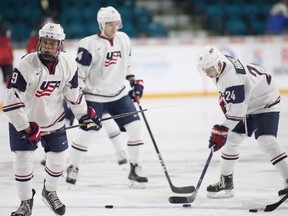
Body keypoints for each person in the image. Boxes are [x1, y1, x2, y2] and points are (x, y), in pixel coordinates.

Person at [2, 22, 101, 216]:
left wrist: (84, 115)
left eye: (52, 43)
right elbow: (10, 102)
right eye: (45, 42)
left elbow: (73, 94)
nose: (48, 46)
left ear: (60, 45)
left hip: (54, 120)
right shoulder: (25, 65)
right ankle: (25, 201)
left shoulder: (68, 63)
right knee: (22, 160)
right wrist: (26, 128)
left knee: (58, 159)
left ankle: (50, 192)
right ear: (39, 42)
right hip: (24, 122)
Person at [25, 16, 128, 167]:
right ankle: (52, 154)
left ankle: (121, 154)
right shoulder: (39, 41)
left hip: (89, 93)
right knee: (61, 121)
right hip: (78, 92)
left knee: (102, 120)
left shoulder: (78, 51)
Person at [66, 6, 148, 188]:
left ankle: (135, 169)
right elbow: (80, 74)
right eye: (110, 24)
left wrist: (134, 82)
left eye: (116, 23)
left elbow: (128, 65)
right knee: (86, 132)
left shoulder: (124, 39)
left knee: (136, 128)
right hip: (94, 96)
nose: (114, 27)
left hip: (118, 95)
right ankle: (73, 166)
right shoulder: (88, 44)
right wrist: (77, 97)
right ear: (101, 24)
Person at [196, 46, 288, 199]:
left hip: (265, 101)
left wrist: (220, 130)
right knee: (232, 139)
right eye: (205, 69)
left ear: (218, 64)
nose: (208, 73)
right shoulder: (220, 65)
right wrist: (226, 98)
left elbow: (237, 112)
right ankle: (226, 181)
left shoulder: (230, 77)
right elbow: (237, 100)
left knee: (266, 141)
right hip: (248, 100)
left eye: (210, 69)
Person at [0, 14, 13, 109]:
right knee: (9, 82)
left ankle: (11, 101)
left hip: (6, 58)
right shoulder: (5, 25)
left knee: (9, 82)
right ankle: (11, 101)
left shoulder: (4, 26)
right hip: (7, 58)